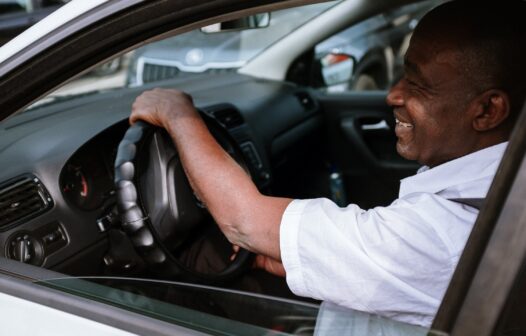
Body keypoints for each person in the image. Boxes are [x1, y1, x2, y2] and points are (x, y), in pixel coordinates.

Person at [129, 0, 526, 328]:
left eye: (417, 84)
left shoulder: (442, 234)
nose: (392, 95)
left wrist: (176, 114)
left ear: (488, 111)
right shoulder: (496, 194)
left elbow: (242, 222)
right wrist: (320, 263)